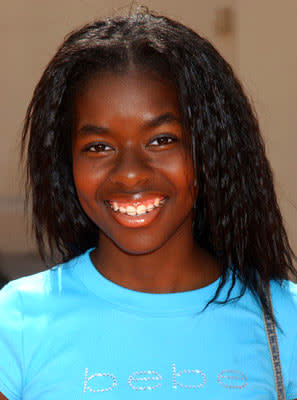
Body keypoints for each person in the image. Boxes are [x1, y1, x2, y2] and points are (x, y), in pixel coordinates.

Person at [0, 8, 296, 399]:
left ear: (210, 147)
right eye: (99, 146)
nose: (130, 174)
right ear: (66, 162)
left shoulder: (284, 322)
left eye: (161, 140)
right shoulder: (15, 323)